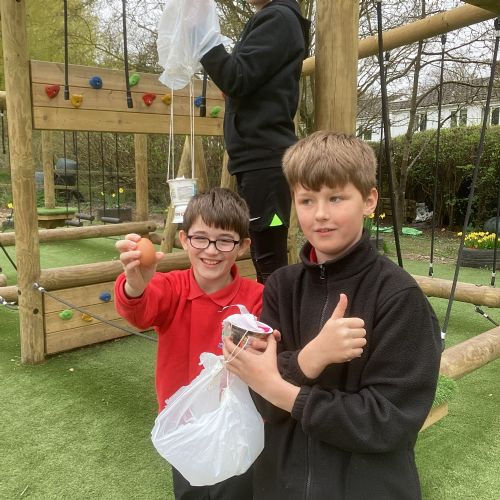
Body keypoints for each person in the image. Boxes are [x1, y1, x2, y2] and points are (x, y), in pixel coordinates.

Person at [222, 132, 442, 499]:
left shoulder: (398, 297)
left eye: (336, 198)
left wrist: (284, 390)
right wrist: (312, 357)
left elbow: (389, 422)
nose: (320, 214)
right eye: (307, 200)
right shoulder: (281, 287)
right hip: (280, 486)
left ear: (369, 200)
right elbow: (261, 400)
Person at [114, 187, 263, 500]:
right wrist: (134, 286)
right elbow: (140, 312)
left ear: (243, 246)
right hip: (184, 426)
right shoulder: (170, 287)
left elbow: (268, 354)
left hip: (233, 427)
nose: (211, 250)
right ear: (184, 239)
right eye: (201, 238)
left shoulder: (256, 298)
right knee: (189, 493)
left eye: (225, 240)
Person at [200, 0, 311, 284]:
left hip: (264, 159)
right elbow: (245, 77)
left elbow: (236, 77)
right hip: (257, 158)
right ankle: (271, 307)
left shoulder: (278, 18)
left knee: (269, 257)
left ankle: (275, 311)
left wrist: (202, 34)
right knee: (264, 253)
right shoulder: (276, 19)